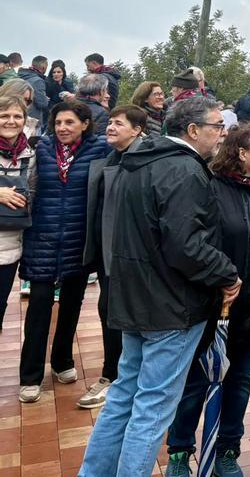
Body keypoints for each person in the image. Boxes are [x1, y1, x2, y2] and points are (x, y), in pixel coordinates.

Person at [78, 96, 242, 476]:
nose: (222, 133)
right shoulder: (184, 170)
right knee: (152, 408)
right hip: (171, 306)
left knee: (123, 396)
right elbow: (186, 245)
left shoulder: (135, 162)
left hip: (134, 298)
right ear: (192, 130)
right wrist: (227, 274)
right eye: (217, 126)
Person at [162, 121, 250, 475]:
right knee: (195, 383)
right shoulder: (210, 190)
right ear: (241, 153)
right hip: (210, 309)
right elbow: (194, 246)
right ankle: (179, 452)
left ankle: (227, 451)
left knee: (239, 382)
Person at [19, 100, 110, 402]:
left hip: (78, 241)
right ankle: (30, 376)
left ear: (85, 124)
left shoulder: (101, 150)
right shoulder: (41, 149)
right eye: (58, 123)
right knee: (39, 308)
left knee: (71, 306)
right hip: (42, 238)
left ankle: (62, 361)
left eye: (69, 122)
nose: (62, 128)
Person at [79, 106, 148, 410]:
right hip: (107, 254)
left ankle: (115, 378)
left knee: (118, 314)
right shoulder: (111, 157)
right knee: (108, 310)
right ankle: (115, 375)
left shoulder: (143, 162)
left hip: (129, 255)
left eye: (118, 124)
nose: (110, 128)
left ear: (137, 130)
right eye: (109, 123)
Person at [0, 95, 34, 328]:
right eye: (4, 116)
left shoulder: (29, 156)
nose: (11, 121)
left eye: (17, 116)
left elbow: (34, 191)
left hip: (9, 250)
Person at [12, 54, 49, 129]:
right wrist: (45, 98)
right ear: (43, 67)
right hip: (32, 121)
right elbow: (42, 103)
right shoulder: (38, 81)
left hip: (17, 117)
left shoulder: (18, 76)